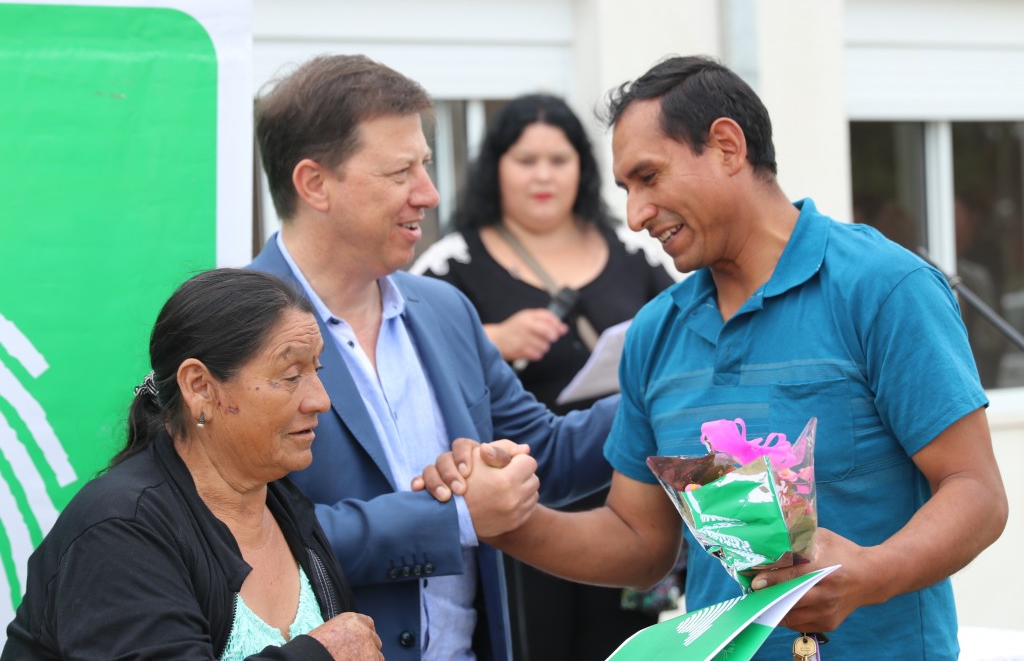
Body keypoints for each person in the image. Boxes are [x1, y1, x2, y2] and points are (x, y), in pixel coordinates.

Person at [423, 55, 1009, 660]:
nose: (635, 215)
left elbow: (976, 492)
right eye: (626, 189)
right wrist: (507, 521)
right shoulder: (655, 331)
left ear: (727, 147)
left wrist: (869, 574)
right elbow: (640, 542)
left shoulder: (884, 288)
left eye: (649, 177)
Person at [249, 54, 617, 661]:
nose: (430, 193)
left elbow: (545, 455)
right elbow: (245, 538)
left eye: (425, 164)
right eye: (401, 171)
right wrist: (456, 517)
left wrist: (663, 390)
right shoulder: (234, 333)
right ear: (314, 184)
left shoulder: (445, 309)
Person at [411, 93, 677, 661]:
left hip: (626, 490)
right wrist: (493, 339)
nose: (543, 176)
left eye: (558, 160)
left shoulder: (637, 253)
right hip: (513, 499)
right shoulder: (449, 264)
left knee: (625, 646)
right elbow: (410, 354)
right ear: (496, 167)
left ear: (583, 167)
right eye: (526, 160)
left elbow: (688, 339)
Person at [2, 268, 382, 660]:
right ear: (199, 387)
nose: (320, 400)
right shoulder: (119, 529)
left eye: (316, 370)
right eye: (290, 375)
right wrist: (322, 654)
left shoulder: (283, 505)